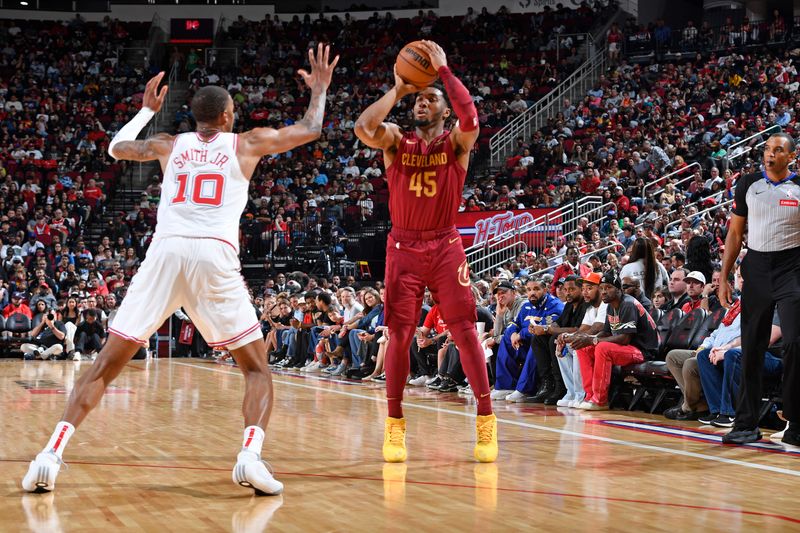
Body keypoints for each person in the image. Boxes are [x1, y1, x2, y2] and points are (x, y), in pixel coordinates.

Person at [22, 45, 339, 495]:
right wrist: (321, 87)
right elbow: (311, 127)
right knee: (255, 370)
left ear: (194, 118)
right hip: (215, 257)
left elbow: (115, 148)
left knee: (104, 367)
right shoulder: (246, 143)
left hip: (166, 254)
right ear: (228, 116)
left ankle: (49, 455)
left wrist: (146, 111)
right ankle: (249, 456)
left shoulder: (169, 145)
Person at [355, 40, 497, 463]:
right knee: (398, 334)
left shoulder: (456, 143)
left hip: (445, 244)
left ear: (443, 108)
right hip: (402, 247)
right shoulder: (396, 141)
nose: (422, 103)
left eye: (429, 98)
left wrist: (445, 72)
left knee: (465, 329)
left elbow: (471, 116)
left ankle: (486, 420)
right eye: (418, 99)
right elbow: (363, 127)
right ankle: (395, 425)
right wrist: (398, 90)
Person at [719, 133, 800, 446]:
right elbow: (735, 233)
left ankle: (795, 421)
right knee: (751, 347)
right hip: (756, 268)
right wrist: (725, 276)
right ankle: (745, 423)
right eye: (767, 148)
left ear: (791, 157)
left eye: (778, 150)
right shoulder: (748, 184)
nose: (770, 154)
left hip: (792, 269)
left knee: (794, 342)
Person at [569, 270, 659, 410]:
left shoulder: (628, 303)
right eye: (602, 288)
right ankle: (589, 395)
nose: (604, 292)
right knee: (584, 347)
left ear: (618, 289)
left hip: (643, 351)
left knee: (602, 348)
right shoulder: (611, 305)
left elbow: (624, 338)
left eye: (608, 287)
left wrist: (593, 341)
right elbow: (605, 332)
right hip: (626, 348)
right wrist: (588, 338)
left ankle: (600, 400)